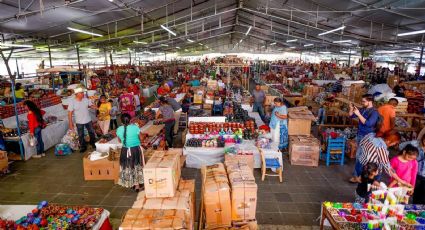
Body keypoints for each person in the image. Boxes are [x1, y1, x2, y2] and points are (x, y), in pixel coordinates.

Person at [349, 94, 380, 182]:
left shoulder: (374, 112)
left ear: (370, 101)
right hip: (360, 135)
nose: (362, 103)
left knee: (360, 156)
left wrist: (358, 114)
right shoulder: (363, 109)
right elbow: (351, 116)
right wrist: (351, 108)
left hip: (368, 136)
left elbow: (369, 123)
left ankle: (357, 176)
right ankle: (360, 175)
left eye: (364, 101)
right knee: (360, 156)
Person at [116, 113, 145, 191]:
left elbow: (119, 140)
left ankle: (130, 183)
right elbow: (141, 138)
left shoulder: (119, 129)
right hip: (135, 150)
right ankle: (137, 186)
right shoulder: (135, 128)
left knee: (129, 167)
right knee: (136, 167)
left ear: (121, 121)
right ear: (130, 120)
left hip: (125, 151)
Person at [68, 87, 96, 153]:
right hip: (79, 121)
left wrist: (94, 106)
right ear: (76, 94)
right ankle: (83, 146)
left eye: (83, 92)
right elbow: (69, 113)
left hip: (88, 120)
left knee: (92, 132)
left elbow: (90, 105)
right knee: (81, 135)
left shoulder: (86, 99)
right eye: (81, 93)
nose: (83, 94)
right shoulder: (72, 101)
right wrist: (70, 123)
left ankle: (92, 143)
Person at [399, 135, 425, 204]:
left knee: (423, 197)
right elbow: (401, 146)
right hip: (415, 173)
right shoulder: (416, 143)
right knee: (415, 195)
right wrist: (409, 155)